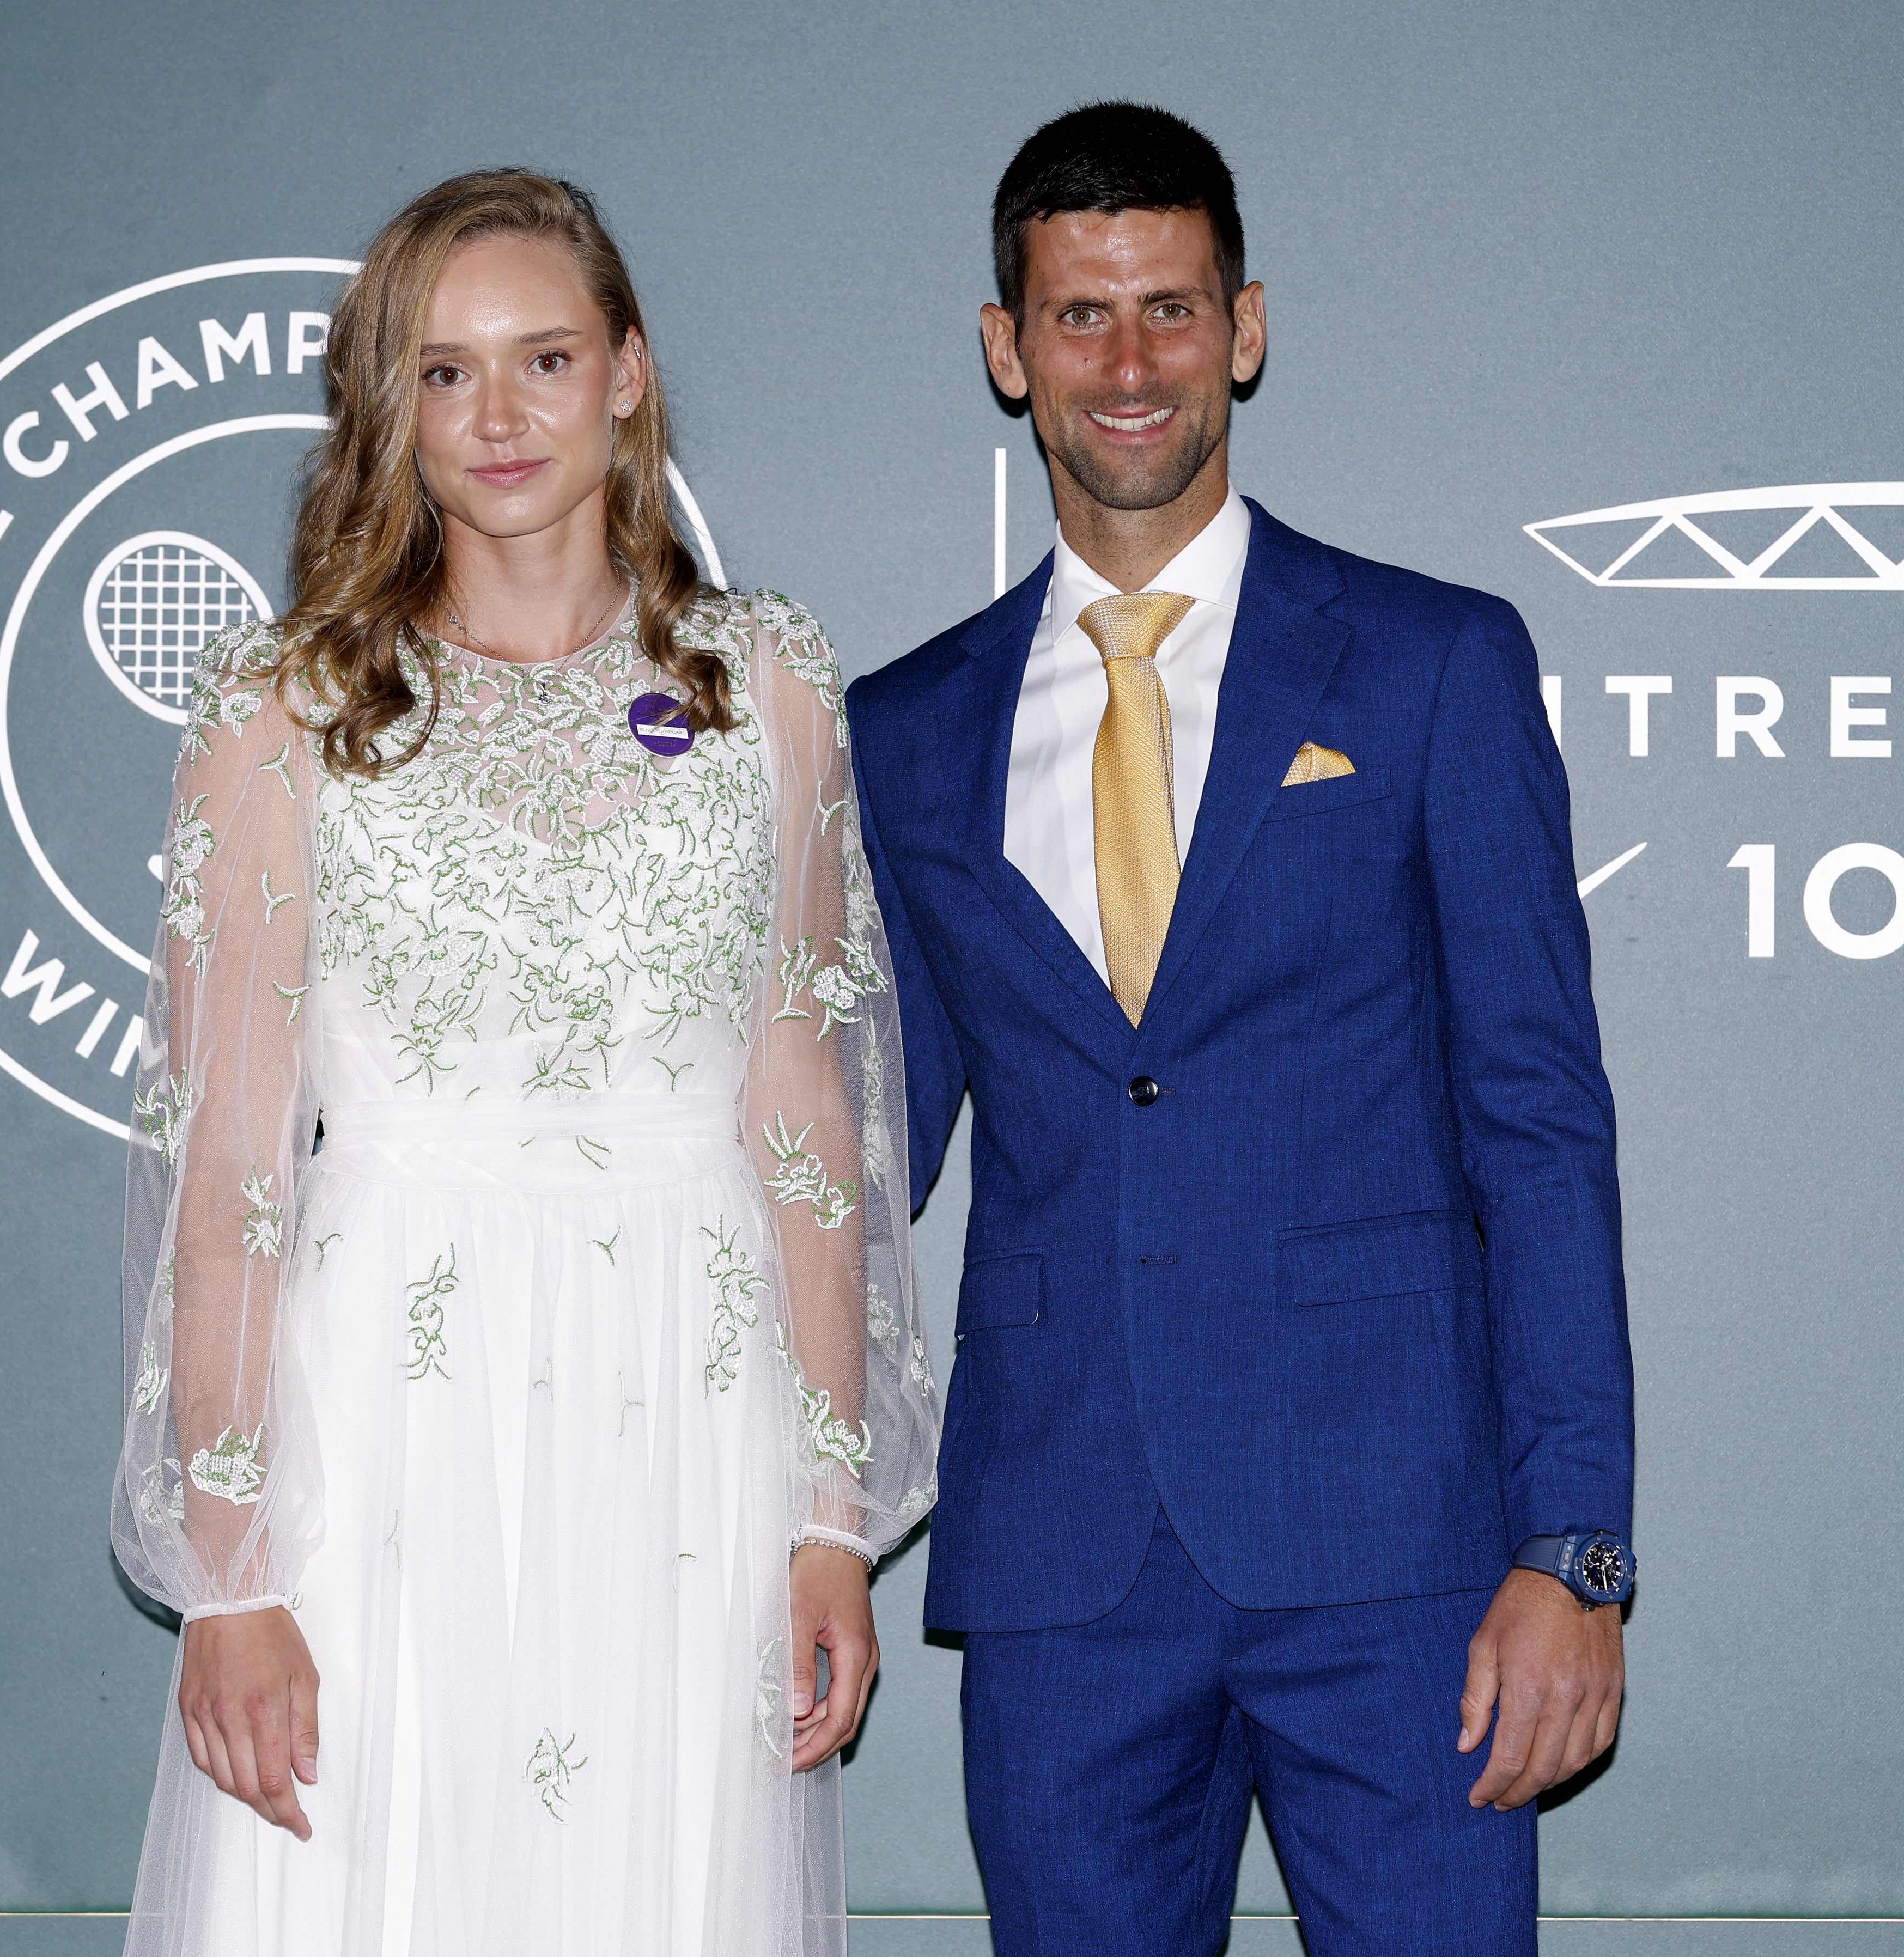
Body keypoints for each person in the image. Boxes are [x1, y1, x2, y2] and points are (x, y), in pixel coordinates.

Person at [108, 167, 936, 1957]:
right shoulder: (286, 705)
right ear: (383, 407)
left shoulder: (766, 679)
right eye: (443, 371)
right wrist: (229, 1575)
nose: (499, 417)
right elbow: (231, 1164)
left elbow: (806, 1111)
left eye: (545, 358)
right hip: (381, 1412)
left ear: (627, 373)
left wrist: (827, 1515)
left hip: (692, 1414)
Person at [845, 104, 1636, 1955]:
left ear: (1245, 328)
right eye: (1078, 316)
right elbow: (861, 1159)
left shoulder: (1433, 660)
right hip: (1058, 1565)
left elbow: (1539, 1123)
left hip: (1404, 1558)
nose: (1128, 365)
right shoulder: (903, 728)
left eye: (1170, 311)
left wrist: (1572, 1552)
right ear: (1005, 348)